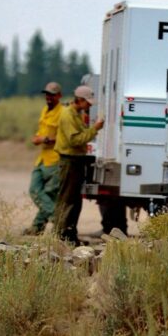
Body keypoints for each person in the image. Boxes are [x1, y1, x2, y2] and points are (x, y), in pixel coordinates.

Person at [53, 85, 104, 244]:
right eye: (87, 102)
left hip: (75, 161)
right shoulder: (68, 115)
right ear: (79, 100)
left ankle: (70, 235)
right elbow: (75, 140)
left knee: (75, 201)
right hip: (69, 161)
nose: (89, 105)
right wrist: (94, 129)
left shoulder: (76, 114)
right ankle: (61, 235)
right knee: (67, 200)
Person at [24, 81, 64, 235]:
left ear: (59, 96)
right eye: (47, 94)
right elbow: (40, 132)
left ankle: (42, 226)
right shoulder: (45, 110)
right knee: (35, 190)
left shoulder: (63, 112)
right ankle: (56, 222)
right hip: (42, 159)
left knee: (49, 193)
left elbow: (64, 137)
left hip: (55, 159)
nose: (48, 97)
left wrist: (45, 139)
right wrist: (38, 138)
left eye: (52, 95)